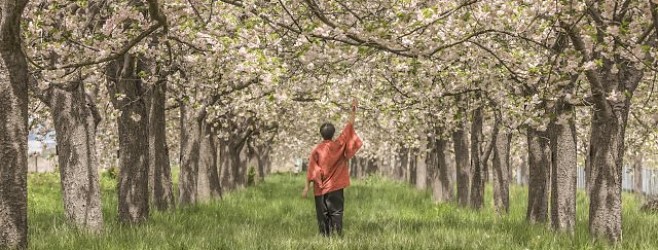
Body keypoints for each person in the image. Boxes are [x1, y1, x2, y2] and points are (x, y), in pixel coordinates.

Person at [302, 99, 362, 237]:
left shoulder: (317, 150)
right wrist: (353, 109)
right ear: (333, 133)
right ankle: (337, 236)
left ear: (321, 134)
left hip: (321, 188)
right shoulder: (340, 144)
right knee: (337, 212)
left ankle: (325, 237)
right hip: (337, 186)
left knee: (323, 214)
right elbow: (349, 126)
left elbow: (312, 170)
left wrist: (307, 188)